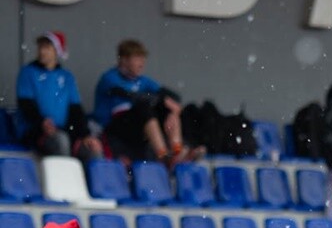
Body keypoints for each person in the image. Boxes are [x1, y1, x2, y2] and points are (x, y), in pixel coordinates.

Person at [93, 39, 204, 167]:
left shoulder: (142, 81)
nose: (142, 63)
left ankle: (177, 151)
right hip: (113, 127)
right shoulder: (110, 77)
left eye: (143, 58)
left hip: (137, 126)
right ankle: (163, 155)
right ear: (123, 60)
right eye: (137, 58)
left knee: (168, 109)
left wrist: (173, 111)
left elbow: (173, 96)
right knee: (145, 108)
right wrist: (162, 100)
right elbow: (132, 96)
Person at [15, 31, 103, 160]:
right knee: (61, 141)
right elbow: (26, 104)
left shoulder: (67, 76)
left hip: (64, 132)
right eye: (40, 47)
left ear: (57, 51)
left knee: (92, 149)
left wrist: (86, 135)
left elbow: (76, 109)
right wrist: (42, 123)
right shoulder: (28, 72)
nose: (42, 51)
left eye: (47, 47)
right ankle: (65, 180)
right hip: (36, 131)